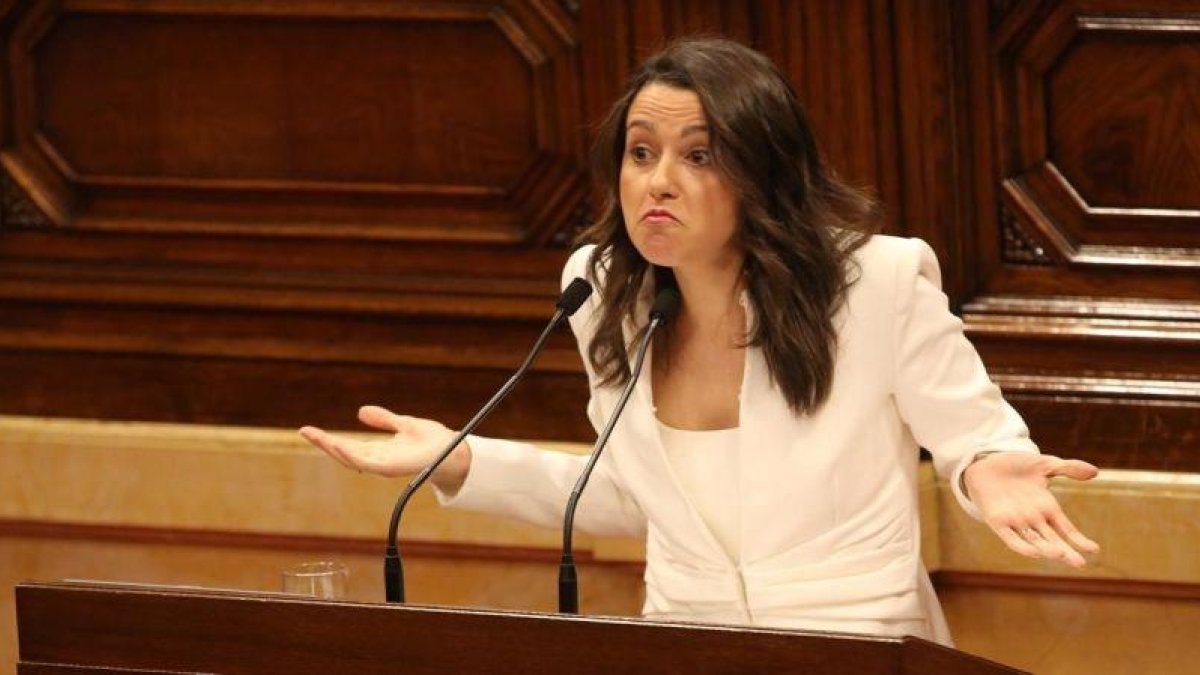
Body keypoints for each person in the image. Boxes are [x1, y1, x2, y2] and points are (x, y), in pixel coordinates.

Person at [300, 37, 1099, 645]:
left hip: (856, 644)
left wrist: (990, 467)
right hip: (685, 643)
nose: (658, 181)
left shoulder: (874, 283)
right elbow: (630, 494)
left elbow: (975, 435)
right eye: (641, 152)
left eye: (699, 155)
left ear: (762, 173)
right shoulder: (604, 293)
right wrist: (459, 458)